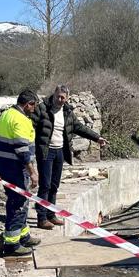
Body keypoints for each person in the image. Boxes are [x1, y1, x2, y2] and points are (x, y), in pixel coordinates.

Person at [31, 85, 108, 230]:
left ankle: (51, 214)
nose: (60, 100)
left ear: (67, 98)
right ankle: (41, 218)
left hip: (60, 152)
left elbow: (79, 128)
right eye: (58, 96)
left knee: (54, 185)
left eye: (63, 98)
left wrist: (97, 138)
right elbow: (30, 125)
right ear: (54, 94)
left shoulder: (67, 112)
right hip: (45, 152)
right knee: (45, 185)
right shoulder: (42, 109)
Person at [0, 90, 41, 256]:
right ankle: (12, 244)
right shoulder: (21, 120)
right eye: (33, 106)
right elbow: (22, 150)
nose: (34, 110)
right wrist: (33, 171)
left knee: (21, 201)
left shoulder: (7, 114)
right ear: (28, 104)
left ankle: (23, 235)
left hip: (4, 166)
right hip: (16, 168)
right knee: (18, 203)